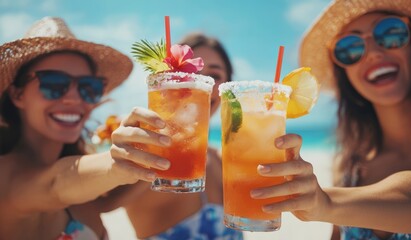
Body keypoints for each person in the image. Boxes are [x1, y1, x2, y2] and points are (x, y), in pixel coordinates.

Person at [250, 0, 411, 239]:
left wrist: (326, 203)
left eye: (390, 33)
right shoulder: (350, 166)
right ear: (345, 73)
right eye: (350, 48)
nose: (374, 53)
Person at [0, 17, 169, 240]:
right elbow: (55, 183)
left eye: (89, 87)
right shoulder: (6, 173)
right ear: (17, 94)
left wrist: (162, 152)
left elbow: (105, 202)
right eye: (54, 84)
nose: (73, 98)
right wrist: (117, 160)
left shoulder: (85, 188)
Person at [111, 33, 243, 239]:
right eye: (190, 72)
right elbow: (102, 205)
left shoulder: (224, 160)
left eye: (215, 76)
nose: (200, 84)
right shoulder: (144, 158)